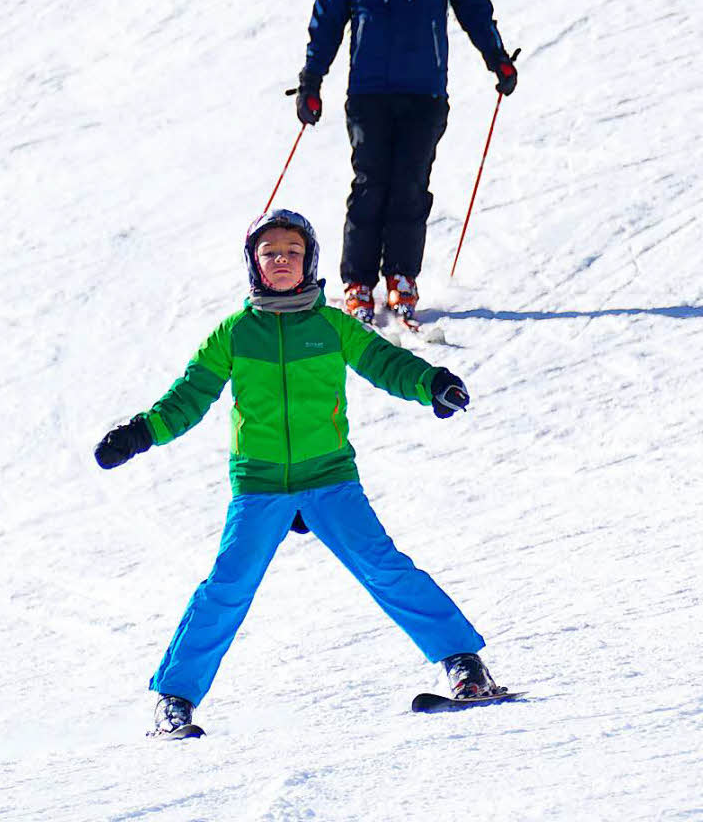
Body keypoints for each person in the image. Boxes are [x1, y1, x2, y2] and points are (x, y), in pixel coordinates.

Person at [94, 208, 506, 738]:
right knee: (228, 586)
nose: (282, 260)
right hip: (260, 483)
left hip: (329, 476)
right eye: (270, 253)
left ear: (309, 258)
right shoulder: (235, 334)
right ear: (254, 264)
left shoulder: (332, 326)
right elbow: (190, 396)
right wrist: (140, 432)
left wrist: (432, 384)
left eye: (292, 251)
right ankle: (174, 699)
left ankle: (464, 666)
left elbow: (386, 362)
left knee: (384, 567)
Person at [295, 0, 518, 324]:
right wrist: (312, 81)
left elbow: (474, 9)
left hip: (425, 94)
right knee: (370, 185)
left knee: (411, 186)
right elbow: (327, 22)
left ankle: (401, 278)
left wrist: (496, 57)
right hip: (369, 95)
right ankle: (358, 283)